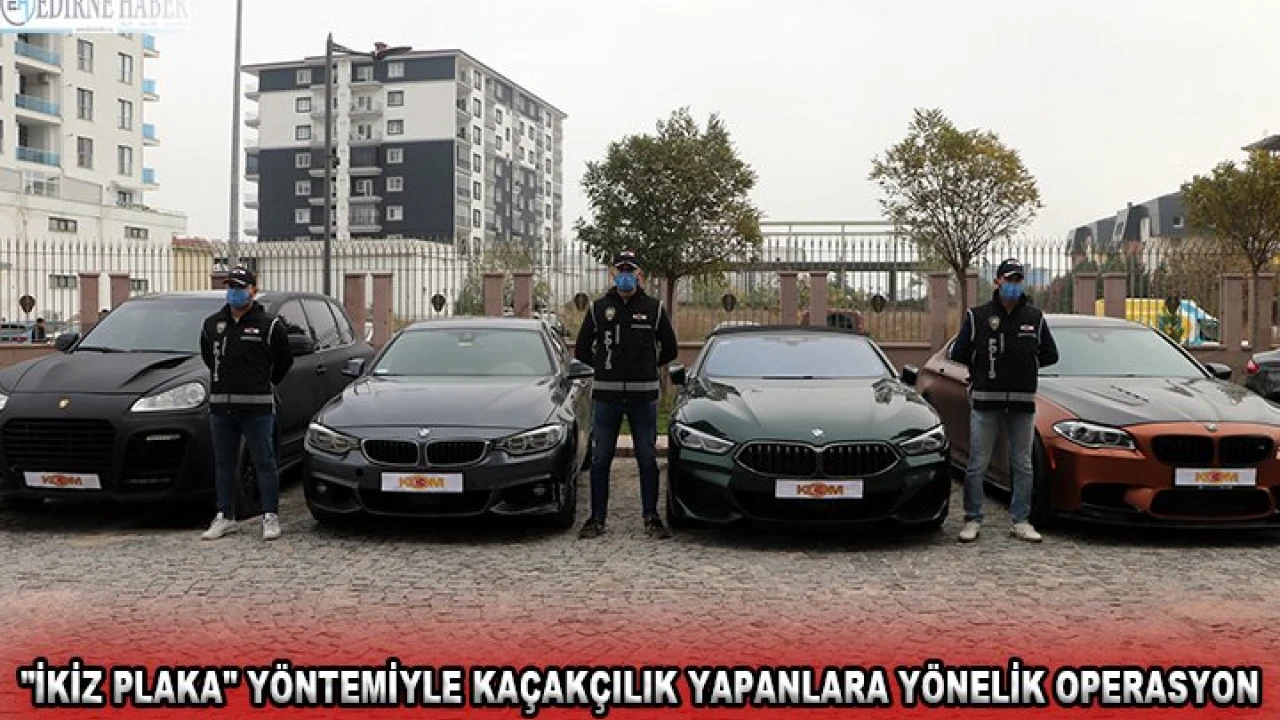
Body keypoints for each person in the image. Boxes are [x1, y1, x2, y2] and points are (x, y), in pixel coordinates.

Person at [948, 258, 1059, 544]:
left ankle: (1021, 521)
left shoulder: (1034, 317)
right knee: (977, 463)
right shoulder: (978, 316)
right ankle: (973, 519)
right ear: (997, 282)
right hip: (986, 401)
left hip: (1022, 403)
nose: (1013, 285)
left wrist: (1024, 368)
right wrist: (980, 372)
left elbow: (1050, 355)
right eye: (1009, 279)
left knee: (1022, 464)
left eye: (1018, 280)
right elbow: (959, 352)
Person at [574, 249, 679, 539]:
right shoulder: (598, 309)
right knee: (600, 459)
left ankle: (651, 517)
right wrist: (603, 367)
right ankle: (596, 518)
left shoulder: (654, 308)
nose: (625, 275)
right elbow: (582, 349)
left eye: (630, 270)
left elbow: (670, 349)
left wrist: (646, 366)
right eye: (620, 270)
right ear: (613, 274)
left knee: (646, 458)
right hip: (606, 398)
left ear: (639, 274)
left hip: (643, 398)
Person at [198, 266, 293, 541]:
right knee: (224, 464)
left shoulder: (269, 325)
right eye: (231, 287)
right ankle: (224, 515)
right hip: (221, 407)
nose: (234, 292)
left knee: (264, 462)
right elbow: (209, 357)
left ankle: (270, 515)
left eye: (240, 287)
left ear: (253, 290)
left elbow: (284, 360)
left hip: (257, 407)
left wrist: (264, 383)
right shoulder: (212, 324)